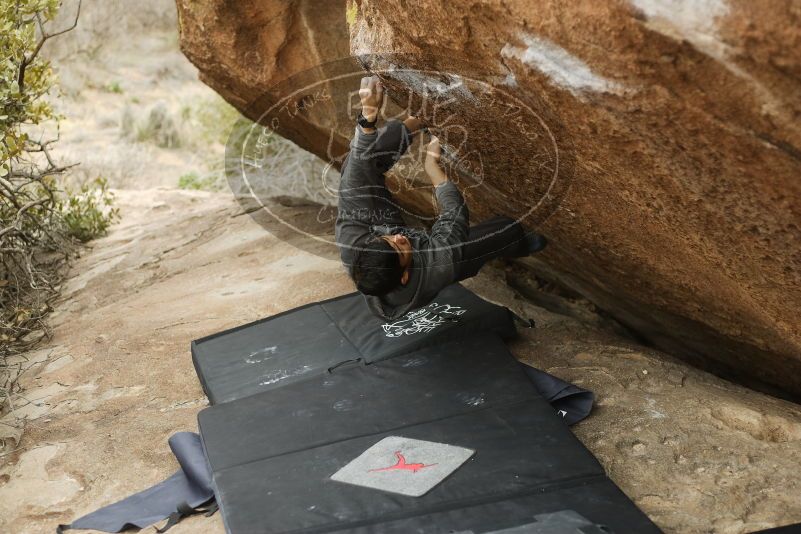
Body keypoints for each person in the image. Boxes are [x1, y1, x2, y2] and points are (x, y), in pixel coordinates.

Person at [335, 75, 547, 321]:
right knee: (501, 231)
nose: (399, 237)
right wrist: (432, 166)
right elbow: (454, 215)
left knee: (360, 164)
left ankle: (417, 122)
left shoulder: (354, 242)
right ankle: (519, 243)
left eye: (388, 239)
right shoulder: (436, 265)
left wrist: (367, 118)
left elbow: (355, 177)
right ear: (404, 275)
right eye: (399, 247)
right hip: (433, 266)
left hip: (384, 232)